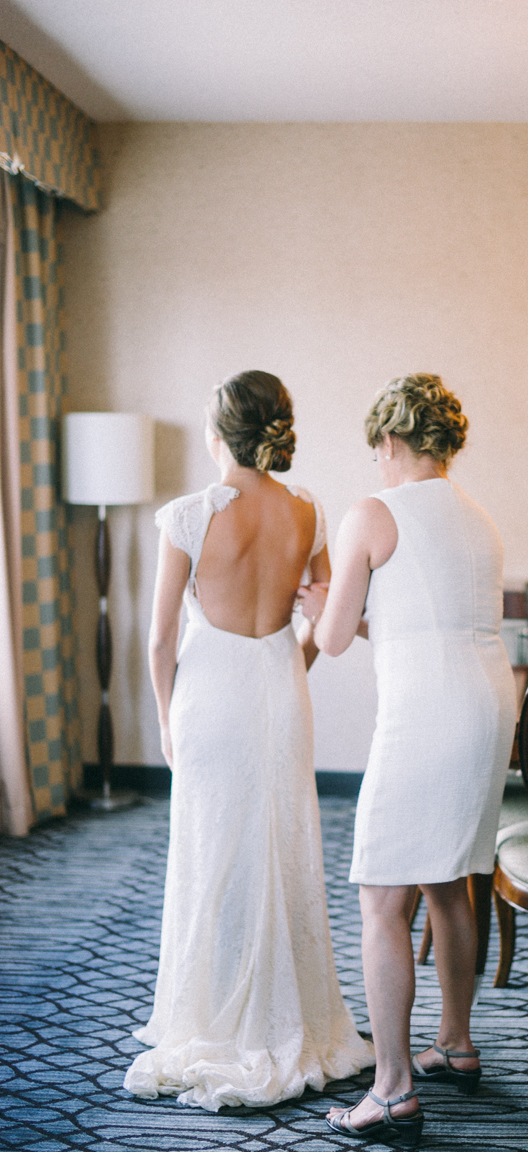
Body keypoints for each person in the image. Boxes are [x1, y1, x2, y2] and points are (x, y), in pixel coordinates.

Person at [124, 370, 374, 1111]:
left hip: (210, 696)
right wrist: (285, 666)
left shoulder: (188, 516)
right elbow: (325, 622)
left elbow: (161, 637)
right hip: (278, 689)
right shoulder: (309, 511)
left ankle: (217, 1015)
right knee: (282, 844)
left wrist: (167, 720)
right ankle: (284, 1013)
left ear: (217, 433)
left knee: (212, 849)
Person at [299, 373, 516, 1147]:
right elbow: (411, 624)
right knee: (452, 880)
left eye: (377, 452)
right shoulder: (478, 518)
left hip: (426, 714)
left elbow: (329, 639)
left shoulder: (374, 513)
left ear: (391, 442)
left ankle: (391, 1089)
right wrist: (344, 613)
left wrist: (315, 601)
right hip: (489, 705)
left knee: (383, 900)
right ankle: (455, 1043)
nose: (377, 468)